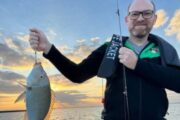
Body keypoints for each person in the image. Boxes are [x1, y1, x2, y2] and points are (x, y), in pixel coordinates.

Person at [29, 0, 180, 120]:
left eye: (147, 13)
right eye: (135, 14)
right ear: (127, 19)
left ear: (154, 18)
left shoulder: (164, 49)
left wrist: (137, 65)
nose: (140, 18)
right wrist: (48, 48)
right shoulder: (110, 47)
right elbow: (77, 74)